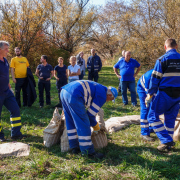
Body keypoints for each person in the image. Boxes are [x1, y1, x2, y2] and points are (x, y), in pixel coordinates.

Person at [60, 80, 118, 158]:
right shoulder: (103, 95)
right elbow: (90, 115)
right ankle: (88, 152)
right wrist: (96, 126)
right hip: (75, 95)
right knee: (84, 123)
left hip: (64, 91)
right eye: (110, 100)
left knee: (71, 121)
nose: (107, 101)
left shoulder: (99, 88)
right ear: (110, 95)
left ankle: (74, 147)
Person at [146, 38, 180, 152]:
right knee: (170, 119)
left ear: (165, 47)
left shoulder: (162, 60)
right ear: (176, 46)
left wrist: (150, 94)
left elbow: (155, 79)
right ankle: (168, 146)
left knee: (152, 116)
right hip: (178, 95)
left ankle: (165, 141)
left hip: (165, 93)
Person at [0, 41, 26, 141]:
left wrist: (9, 87)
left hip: (7, 92)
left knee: (15, 109)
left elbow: (5, 76)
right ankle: (0, 136)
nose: (8, 51)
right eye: (6, 49)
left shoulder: (5, 60)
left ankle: (16, 134)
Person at [137, 69, 155, 141]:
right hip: (143, 88)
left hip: (153, 89)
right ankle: (144, 133)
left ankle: (151, 127)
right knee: (146, 108)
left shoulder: (167, 74)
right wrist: (148, 98)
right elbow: (148, 91)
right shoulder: (149, 76)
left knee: (153, 107)